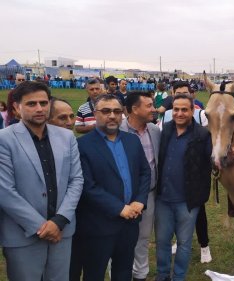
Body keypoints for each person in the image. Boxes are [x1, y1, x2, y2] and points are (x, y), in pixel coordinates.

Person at [0, 81, 83, 280]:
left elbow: (76, 180)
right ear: (16, 108)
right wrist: (42, 227)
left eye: (43, 103)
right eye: (31, 104)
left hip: (62, 231)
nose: (39, 108)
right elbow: (4, 190)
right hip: (23, 233)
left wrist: (60, 220)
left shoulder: (66, 137)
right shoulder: (4, 139)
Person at [74, 94, 150, 281]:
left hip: (130, 223)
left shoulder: (132, 140)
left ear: (123, 113)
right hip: (98, 225)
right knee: (94, 273)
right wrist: (119, 208)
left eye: (117, 111)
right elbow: (87, 186)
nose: (112, 116)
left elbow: (145, 173)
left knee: (124, 271)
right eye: (106, 111)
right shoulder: (82, 145)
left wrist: (140, 200)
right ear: (95, 113)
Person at [155, 94, 212, 281]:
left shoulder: (203, 135)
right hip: (163, 198)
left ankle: (178, 277)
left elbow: (211, 163)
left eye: (184, 109)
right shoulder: (166, 130)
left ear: (192, 111)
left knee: (184, 243)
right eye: (176, 109)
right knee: (162, 241)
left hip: (188, 201)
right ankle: (163, 276)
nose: (179, 113)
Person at [120, 92, 161, 281]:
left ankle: (140, 275)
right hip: (121, 199)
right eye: (149, 105)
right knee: (119, 240)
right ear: (135, 109)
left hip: (148, 196)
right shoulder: (117, 130)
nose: (154, 109)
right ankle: (119, 274)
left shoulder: (154, 130)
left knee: (143, 238)